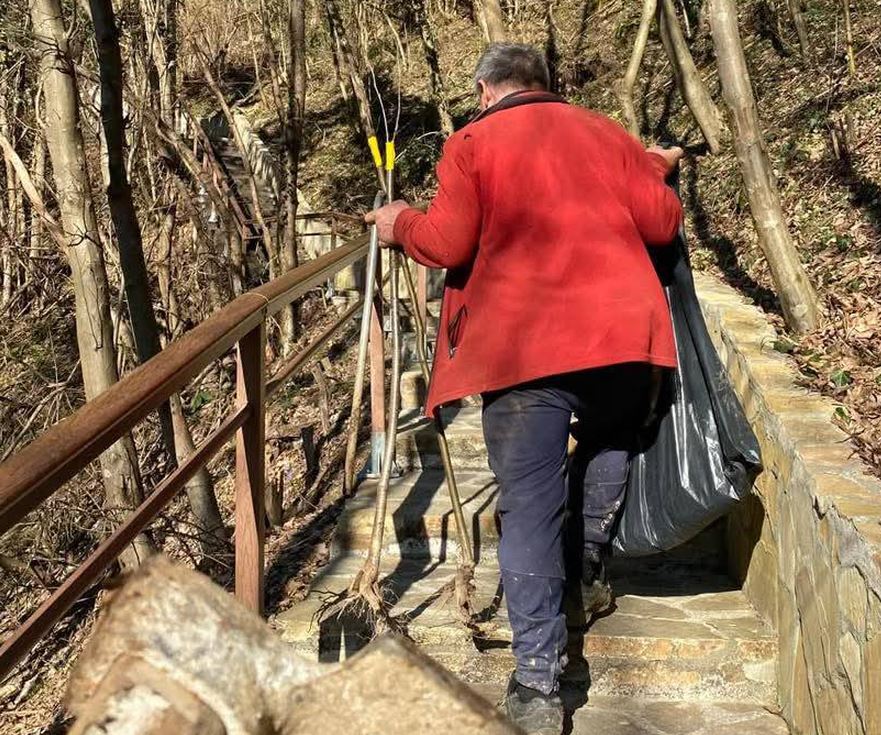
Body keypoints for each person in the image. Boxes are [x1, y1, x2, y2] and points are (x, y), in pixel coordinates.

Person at [366, 43, 683, 735]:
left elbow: (448, 243)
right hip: (624, 340)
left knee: (530, 506)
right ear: (545, 84)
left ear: (484, 91)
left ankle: (538, 685)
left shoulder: (472, 143)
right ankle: (585, 575)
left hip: (522, 349)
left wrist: (398, 225)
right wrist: (652, 168)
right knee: (611, 439)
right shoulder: (606, 132)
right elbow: (660, 222)